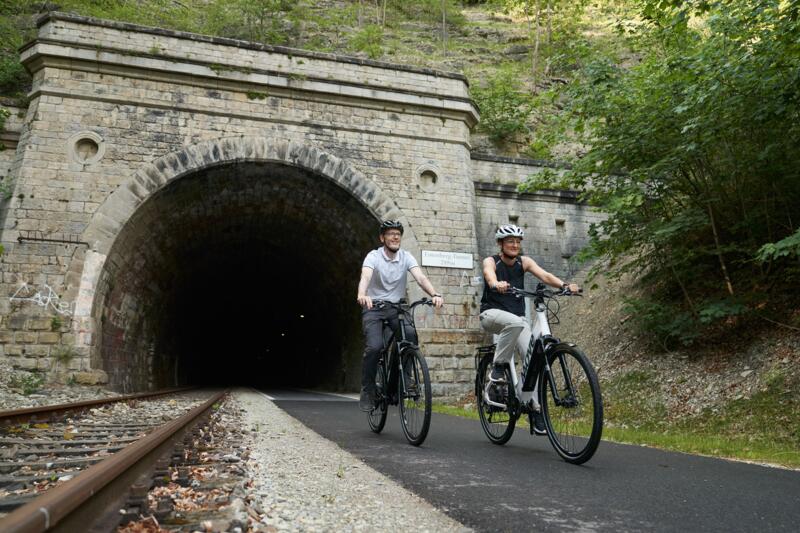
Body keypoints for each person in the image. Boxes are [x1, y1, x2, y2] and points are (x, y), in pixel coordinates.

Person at [479, 224, 580, 434]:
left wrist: (564, 286)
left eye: (517, 242)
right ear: (501, 244)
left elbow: (545, 275)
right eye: (510, 241)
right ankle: (498, 367)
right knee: (515, 323)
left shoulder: (524, 262)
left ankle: (534, 408)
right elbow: (489, 275)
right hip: (491, 315)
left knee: (532, 357)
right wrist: (496, 283)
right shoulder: (492, 261)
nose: (515, 245)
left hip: (517, 319)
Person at [356, 220, 444, 411]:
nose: (395, 237)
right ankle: (368, 388)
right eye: (390, 234)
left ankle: (404, 379)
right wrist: (362, 294)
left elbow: (420, 277)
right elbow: (366, 276)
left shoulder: (406, 257)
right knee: (375, 347)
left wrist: (434, 294)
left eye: (398, 234)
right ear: (382, 238)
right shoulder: (374, 256)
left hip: (396, 307)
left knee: (410, 337)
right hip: (374, 307)